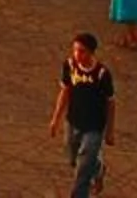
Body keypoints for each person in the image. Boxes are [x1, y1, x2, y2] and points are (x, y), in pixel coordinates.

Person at [46, 30, 116, 198]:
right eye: (75, 50)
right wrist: (56, 119)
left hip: (94, 126)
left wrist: (110, 131)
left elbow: (111, 102)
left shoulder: (101, 74)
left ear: (91, 52)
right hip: (73, 121)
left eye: (82, 51)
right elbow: (65, 92)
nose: (77, 54)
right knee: (73, 158)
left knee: (83, 168)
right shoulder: (69, 66)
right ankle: (98, 168)